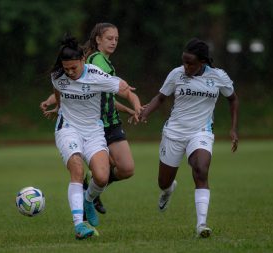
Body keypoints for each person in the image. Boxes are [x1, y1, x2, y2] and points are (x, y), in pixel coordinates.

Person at [139, 38, 239, 238]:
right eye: (184, 62)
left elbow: (233, 99)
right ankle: (168, 190)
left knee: (201, 169)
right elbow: (160, 98)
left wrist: (233, 128)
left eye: (190, 63)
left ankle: (201, 224)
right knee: (163, 182)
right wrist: (144, 112)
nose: (186, 66)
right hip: (174, 133)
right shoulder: (176, 74)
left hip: (201, 132)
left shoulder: (218, 77)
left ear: (203, 62)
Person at [48, 34, 141, 240]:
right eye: (66, 69)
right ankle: (79, 225)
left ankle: (88, 200)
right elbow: (58, 92)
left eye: (74, 67)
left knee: (101, 176)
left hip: (94, 131)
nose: (70, 72)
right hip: (68, 128)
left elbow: (126, 90)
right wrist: (58, 107)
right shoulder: (57, 76)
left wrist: (136, 106)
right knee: (78, 170)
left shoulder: (97, 76)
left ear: (83, 60)